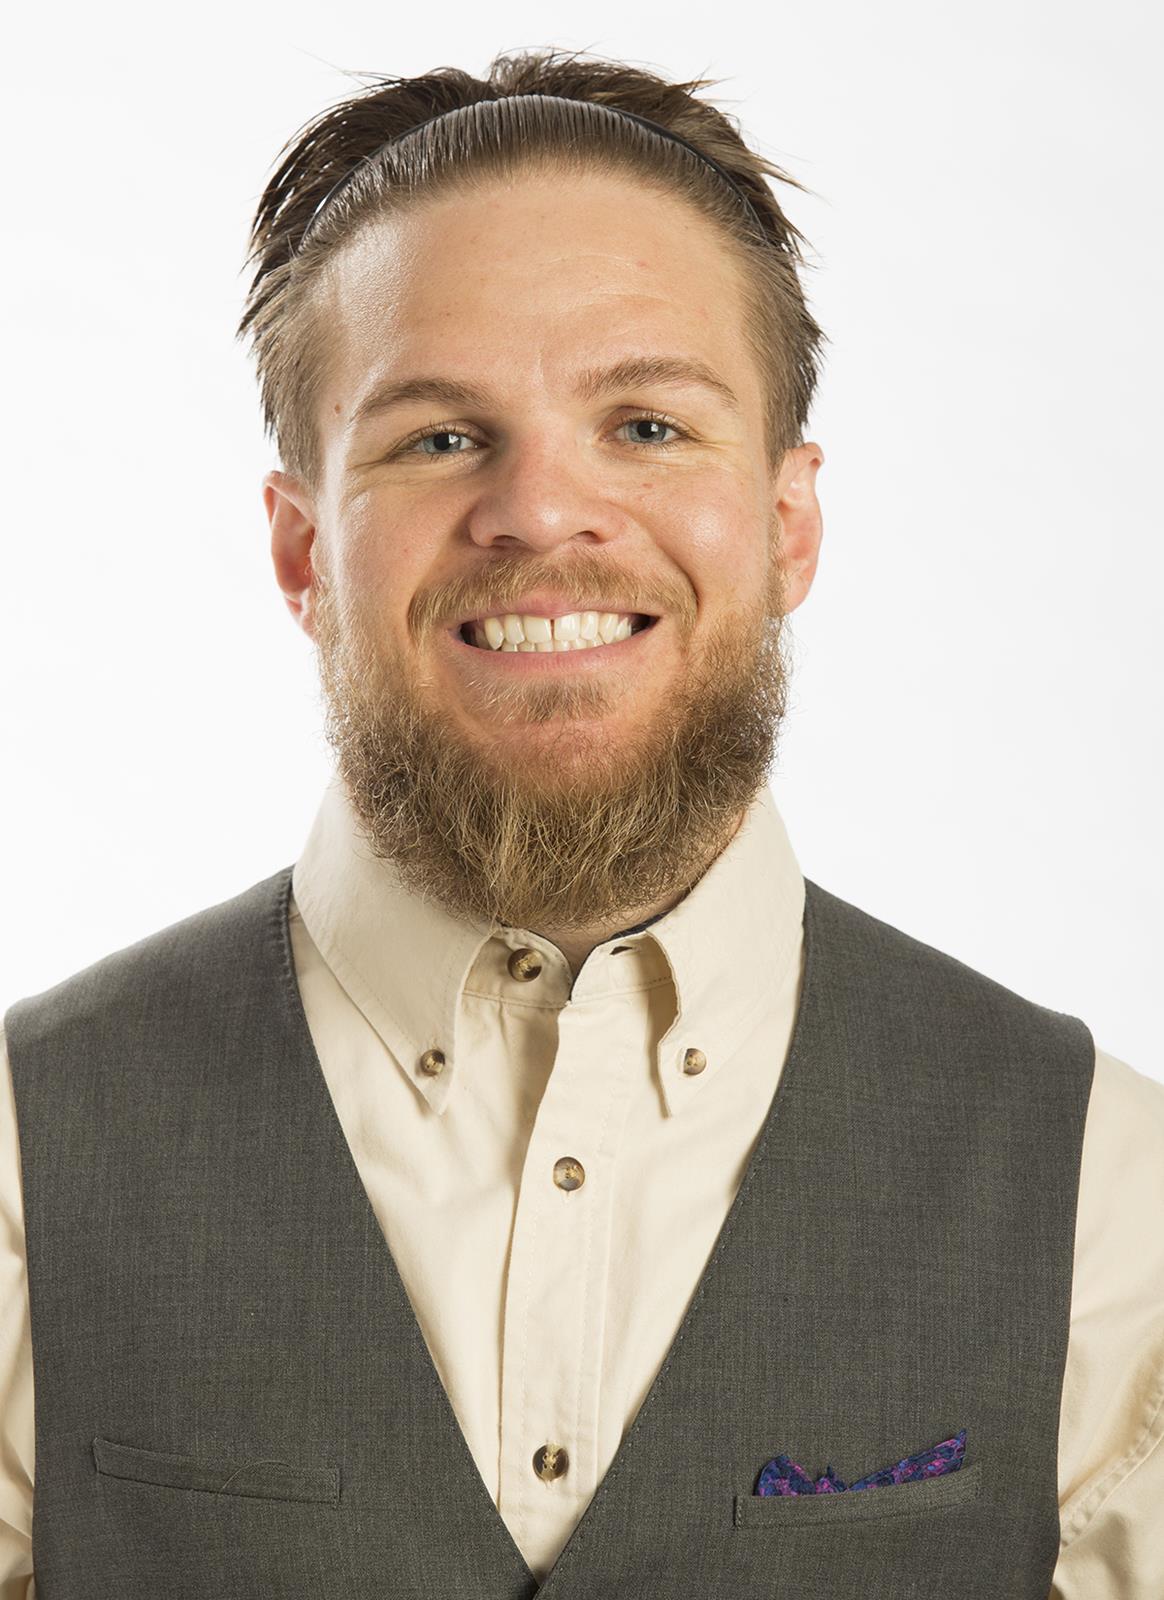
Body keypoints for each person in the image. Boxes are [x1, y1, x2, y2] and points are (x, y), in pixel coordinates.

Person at [2, 45, 1161, 1600]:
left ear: (787, 520)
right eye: (436, 436)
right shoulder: (24, 1173)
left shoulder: (1105, 1193)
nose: (543, 513)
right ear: (300, 552)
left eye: (649, 426)